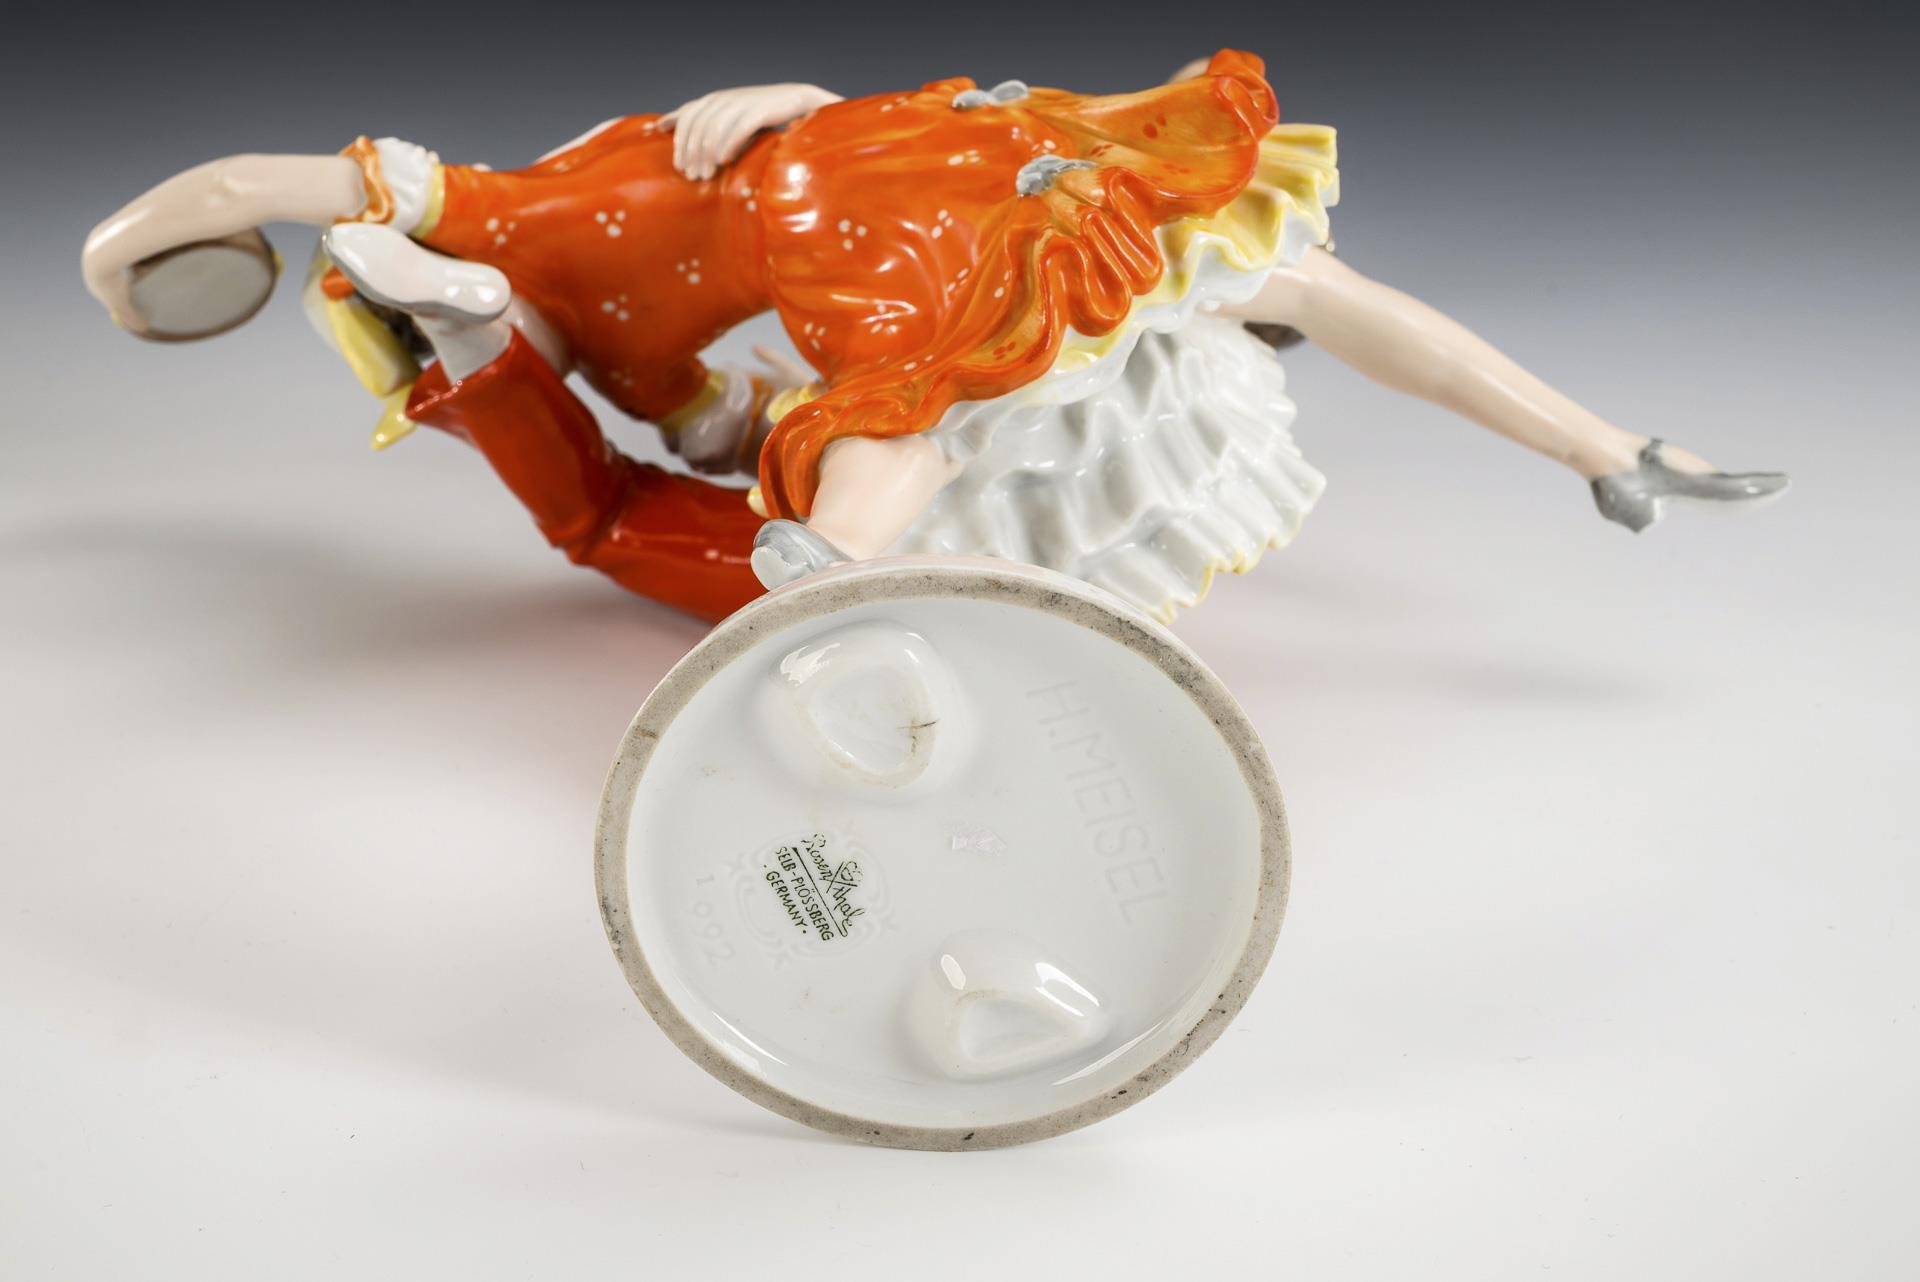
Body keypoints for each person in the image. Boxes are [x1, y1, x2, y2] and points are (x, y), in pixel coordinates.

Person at [81, 52, 1785, 624]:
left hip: (861, 193)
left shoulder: (537, 256)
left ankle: (822, 584)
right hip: (894, 171)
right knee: (1247, 286)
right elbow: (240, 188)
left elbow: (689, 449)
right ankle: (1612, 449)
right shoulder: (543, 245)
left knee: (913, 409)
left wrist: (121, 269)